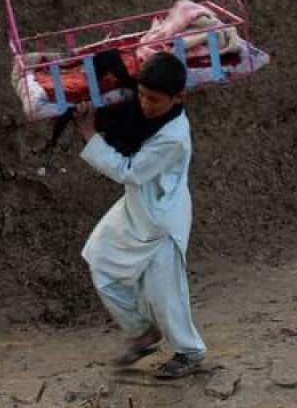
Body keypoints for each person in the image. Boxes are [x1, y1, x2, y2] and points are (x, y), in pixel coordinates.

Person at [74, 51, 206, 379]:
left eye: (155, 100)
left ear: (179, 98)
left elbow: (129, 171)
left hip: (162, 219)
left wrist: (90, 135)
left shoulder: (173, 136)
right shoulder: (145, 111)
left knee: (165, 294)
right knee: (99, 258)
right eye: (143, 95)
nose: (145, 105)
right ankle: (141, 332)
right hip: (136, 209)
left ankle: (189, 352)